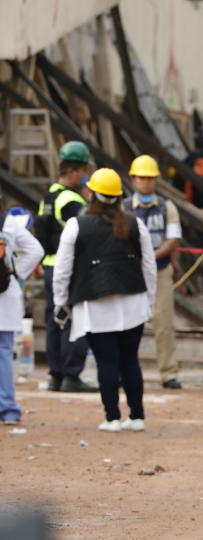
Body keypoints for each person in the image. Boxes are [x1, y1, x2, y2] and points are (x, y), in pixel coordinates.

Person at [52, 168, 157, 432]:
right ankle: (137, 416)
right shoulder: (135, 223)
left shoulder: (77, 225)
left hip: (95, 304)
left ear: (92, 194)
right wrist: (150, 300)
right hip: (133, 302)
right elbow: (149, 266)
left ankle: (112, 418)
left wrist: (60, 301)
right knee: (130, 360)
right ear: (120, 196)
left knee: (107, 362)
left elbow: (62, 269)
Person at [34, 141, 96, 393]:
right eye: (83, 172)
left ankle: (56, 375)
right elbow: (83, 232)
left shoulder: (48, 196)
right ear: (73, 171)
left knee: (54, 320)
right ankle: (72, 375)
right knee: (73, 321)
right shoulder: (70, 200)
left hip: (50, 268)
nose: (84, 178)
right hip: (67, 271)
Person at [121, 155, 182, 389]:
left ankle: (168, 373)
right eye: (141, 178)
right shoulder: (124, 208)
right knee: (125, 324)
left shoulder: (167, 207)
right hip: (130, 273)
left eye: (149, 178)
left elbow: (173, 238)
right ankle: (123, 371)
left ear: (155, 180)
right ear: (133, 180)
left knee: (163, 323)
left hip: (160, 271)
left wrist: (150, 257)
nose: (145, 183)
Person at [0, 208, 43, 424]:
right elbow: (36, 250)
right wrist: (16, 274)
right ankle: (7, 409)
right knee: (4, 353)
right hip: (5, 294)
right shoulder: (8, 223)